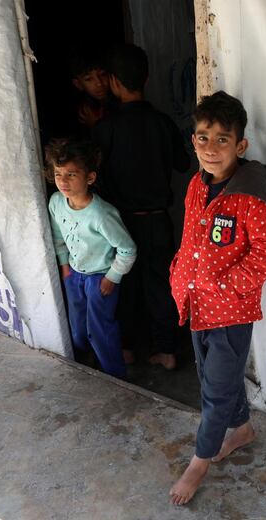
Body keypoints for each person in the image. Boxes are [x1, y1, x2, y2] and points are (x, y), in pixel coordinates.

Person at [168, 91, 266, 505]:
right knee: (214, 377)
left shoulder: (252, 195)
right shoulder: (196, 186)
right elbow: (189, 237)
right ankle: (243, 429)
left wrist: (224, 286)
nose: (210, 148)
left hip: (230, 312)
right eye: (202, 137)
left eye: (221, 139)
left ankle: (199, 462)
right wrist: (179, 272)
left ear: (241, 146)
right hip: (196, 303)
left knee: (215, 389)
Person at [92, 44, 190, 368]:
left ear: (113, 83)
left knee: (127, 287)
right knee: (161, 285)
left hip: (121, 224)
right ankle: (167, 351)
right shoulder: (162, 123)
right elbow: (182, 161)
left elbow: (96, 175)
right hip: (159, 221)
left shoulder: (106, 128)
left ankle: (128, 348)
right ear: (146, 79)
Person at [46, 138, 137, 379]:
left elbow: (128, 249)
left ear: (90, 178)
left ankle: (115, 377)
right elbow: (57, 236)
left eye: (71, 174)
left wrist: (112, 277)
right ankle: (88, 367)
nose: (63, 181)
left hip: (100, 279)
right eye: (58, 174)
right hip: (74, 275)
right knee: (77, 329)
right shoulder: (56, 202)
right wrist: (65, 265)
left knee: (100, 330)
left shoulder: (102, 214)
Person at [69, 50, 114, 130]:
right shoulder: (84, 111)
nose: (99, 83)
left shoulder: (120, 103)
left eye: (102, 74)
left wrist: (96, 125)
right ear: (78, 84)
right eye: (89, 79)